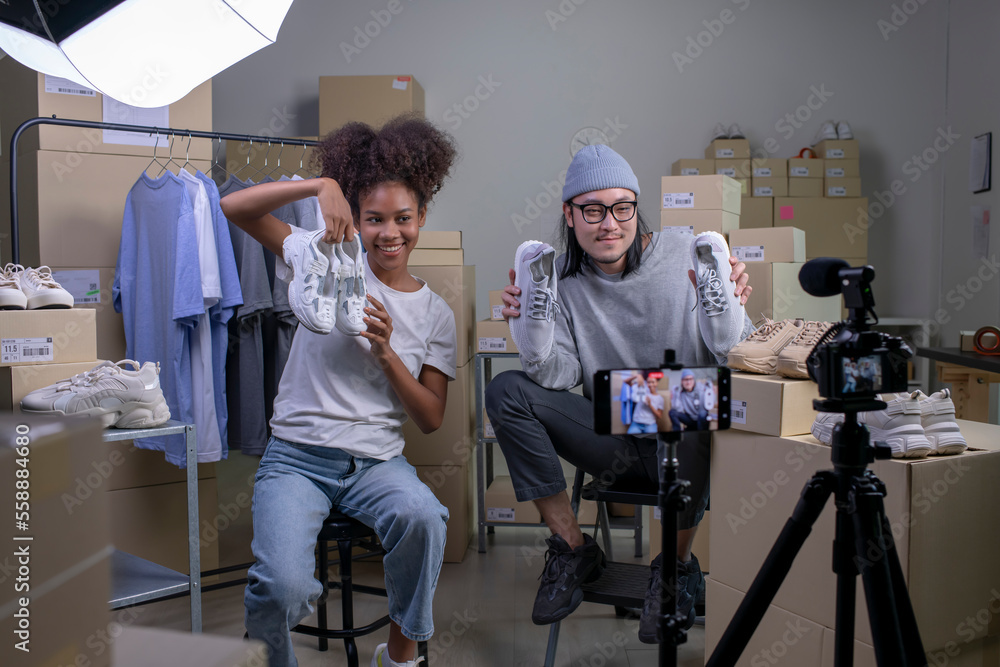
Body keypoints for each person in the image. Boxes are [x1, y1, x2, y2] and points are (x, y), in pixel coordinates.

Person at [485, 145, 753, 642]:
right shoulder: (559, 281)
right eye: (592, 210)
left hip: (688, 438)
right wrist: (532, 331)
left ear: (635, 207)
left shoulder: (687, 252)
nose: (609, 224)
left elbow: (741, 362)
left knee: (701, 394)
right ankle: (572, 549)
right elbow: (560, 376)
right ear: (569, 215)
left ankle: (673, 569)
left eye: (621, 207)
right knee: (506, 390)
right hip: (610, 436)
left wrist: (731, 296)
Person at [220, 116, 458, 667]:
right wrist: (319, 187)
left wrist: (387, 353)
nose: (389, 232)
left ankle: (400, 656)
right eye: (373, 219)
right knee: (280, 587)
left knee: (423, 517)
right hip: (297, 460)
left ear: (422, 217)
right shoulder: (318, 258)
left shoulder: (436, 314)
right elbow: (235, 209)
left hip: (376, 463)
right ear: (356, 219)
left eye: (403, 218)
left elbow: (430, 418)